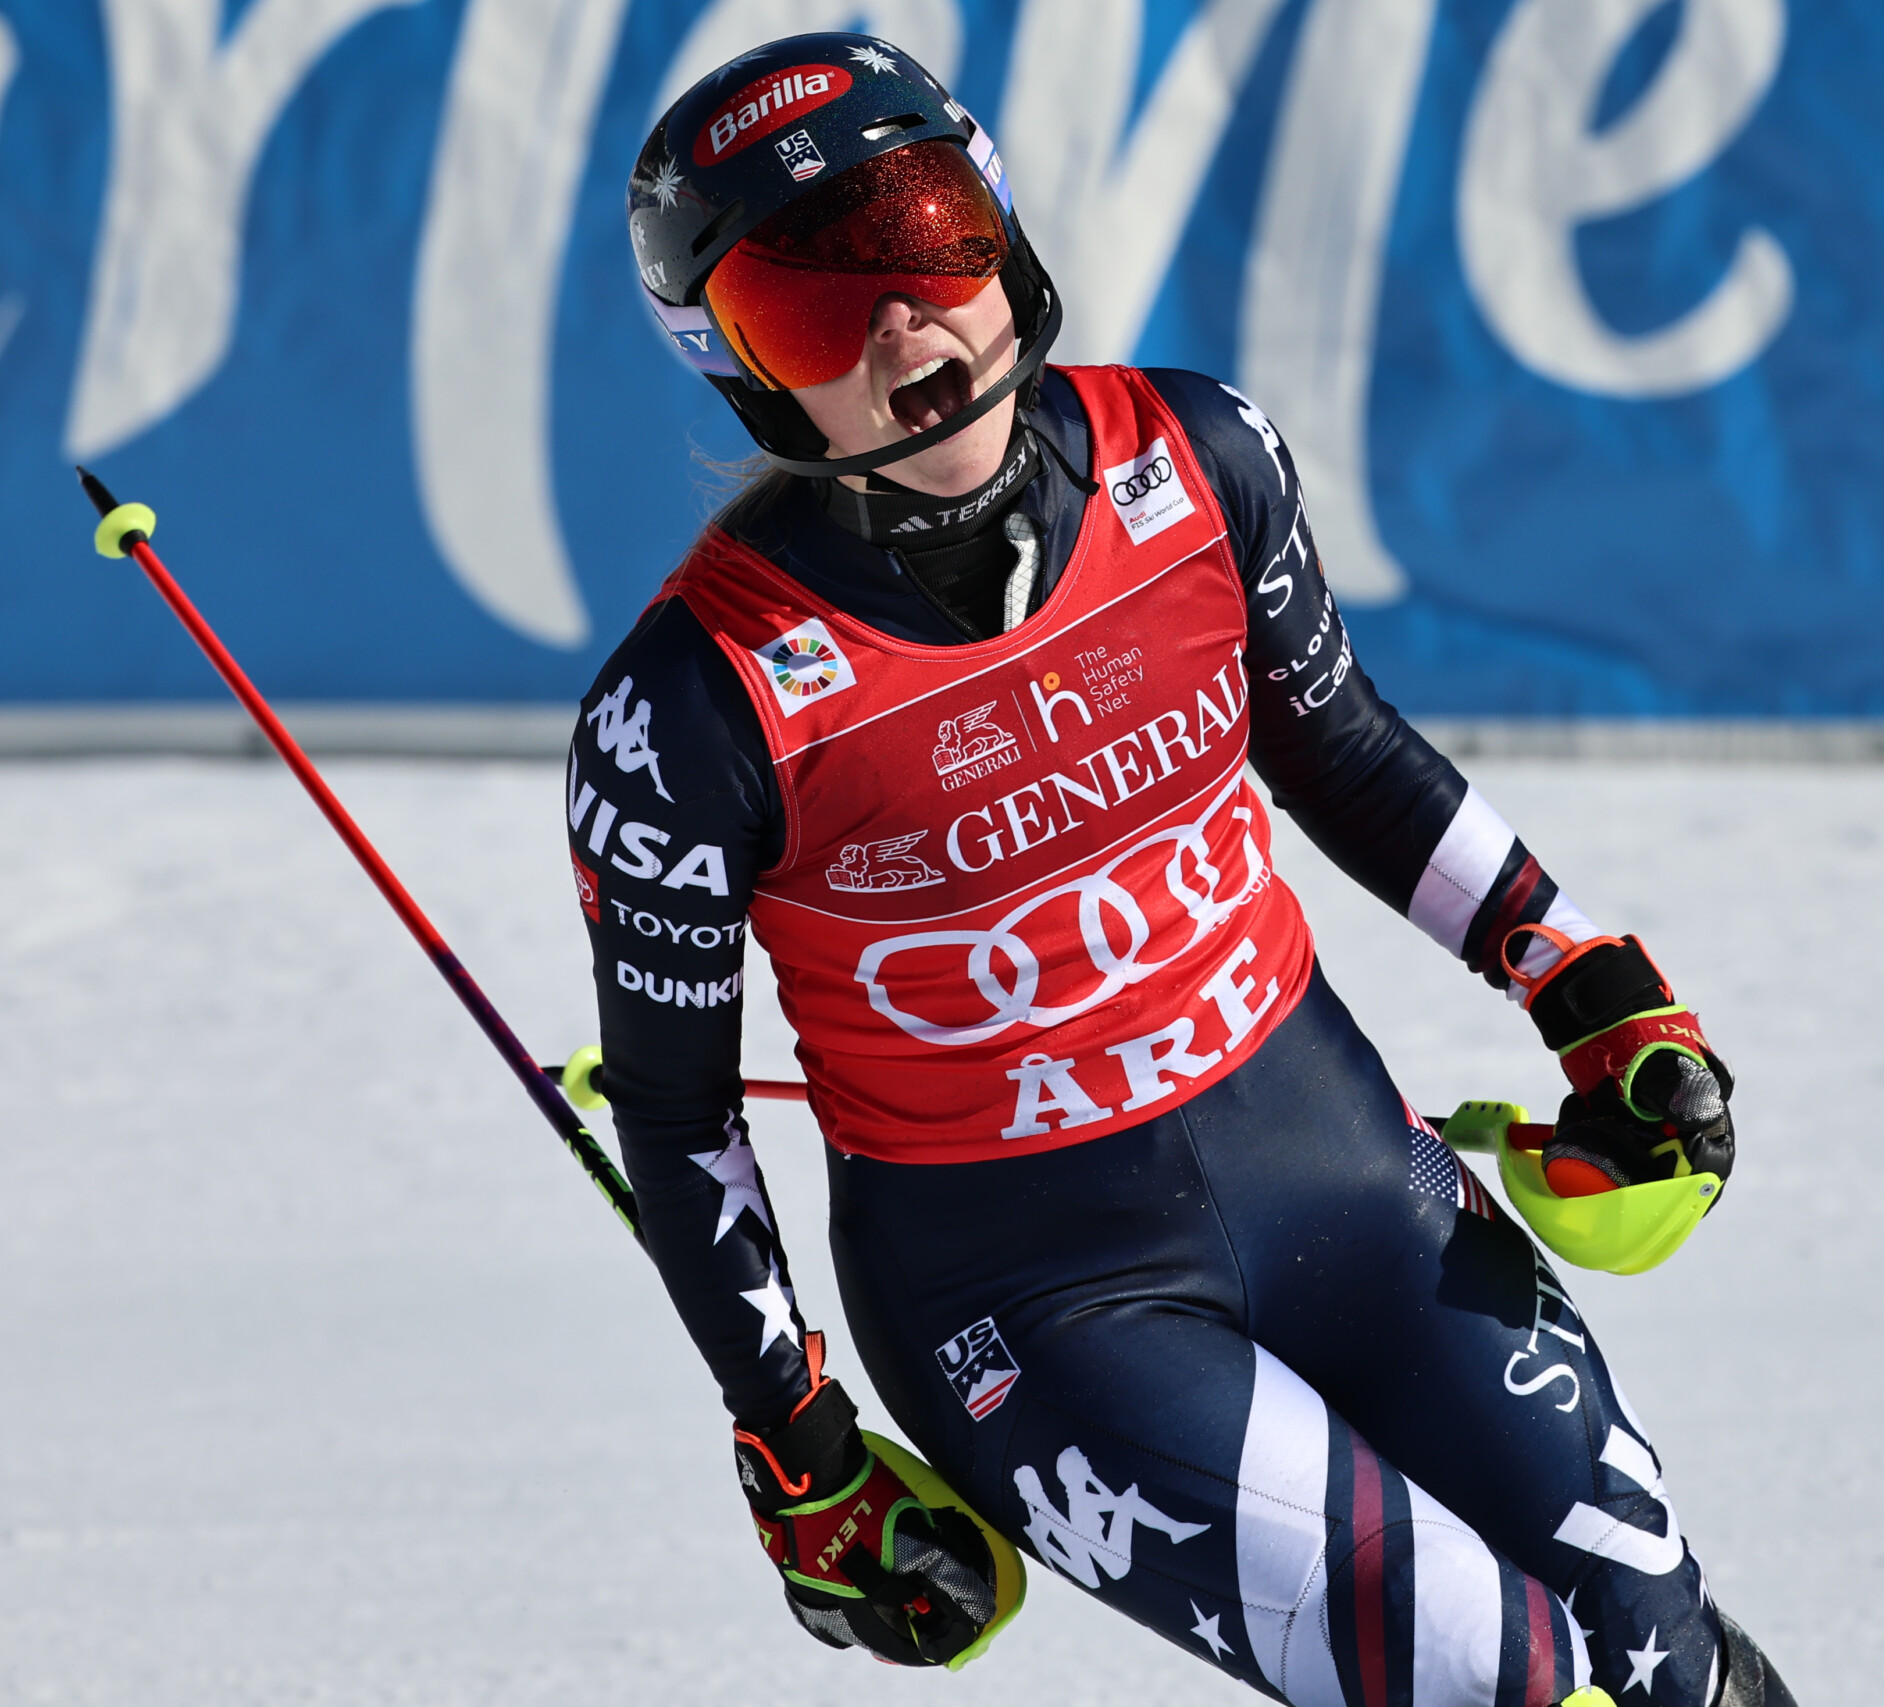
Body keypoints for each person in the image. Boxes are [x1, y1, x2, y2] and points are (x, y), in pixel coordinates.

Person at [583, 32, 1795, 1707]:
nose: (901, 327)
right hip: (1039, 1309)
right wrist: (798, 1444)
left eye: (925, 232)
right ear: (745, 375)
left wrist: (1593, 995)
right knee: (1499, 1687)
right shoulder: (697, 704)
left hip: (1348, 1185)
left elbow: (1346, 754)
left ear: (998, 223)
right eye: (809, 308)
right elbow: (676, 1112)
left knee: (1663, 1662)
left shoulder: (1200, 458)